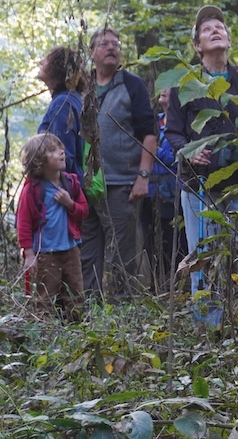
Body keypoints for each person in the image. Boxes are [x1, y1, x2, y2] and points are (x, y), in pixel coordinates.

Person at [166, 5, 238, 327]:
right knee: (203, 260)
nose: (215, 30)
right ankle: (209, 330)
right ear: (198, 46)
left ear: (229, 39)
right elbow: (173, 132)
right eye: (206, 29)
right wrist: (189, 153)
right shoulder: (184, 84)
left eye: (220, 27)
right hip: (198, 189)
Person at [80, 28, 158, 298]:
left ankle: (125, 305)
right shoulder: (82, 86)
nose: (112, 47)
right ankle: (91, 304)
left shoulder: (132, 85)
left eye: (116, 43)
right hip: (87, 184)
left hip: (122, 183)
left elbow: (149, 133)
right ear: (92, 52)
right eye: (104, 44)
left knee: (124, 251)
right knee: (88, 248)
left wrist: (143, 176)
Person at [16, 132, 89, 320]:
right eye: (53, 150)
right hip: (45, 254)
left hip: (71, 250)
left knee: (75, 293)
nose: (61, 152)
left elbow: (84, 211)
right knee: (45, 296)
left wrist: (69, 203)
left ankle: (76, 328)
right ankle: (44, 328)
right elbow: (23, 223)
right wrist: (29, 255)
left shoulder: (71, 183)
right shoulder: (32, 190)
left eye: (60, 148)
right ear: (39, 160)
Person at [140, 89, 187, 289]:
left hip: (172, 196)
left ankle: (177, 287)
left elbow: (181, 158)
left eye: (170, 87)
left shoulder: (184, 123)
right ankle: (156, 287)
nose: (164, 90)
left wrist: (152, 149)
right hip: (147, 193)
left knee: (173, 243)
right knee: (150, 243)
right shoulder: (153, 122)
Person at [36, 46, 87, 181]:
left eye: (47, 59)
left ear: (58, 67)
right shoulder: (70, 98)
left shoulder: (63, 103)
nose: (41, 62)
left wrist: (60, 188)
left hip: (62, 188)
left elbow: (65, 158)